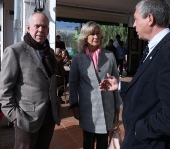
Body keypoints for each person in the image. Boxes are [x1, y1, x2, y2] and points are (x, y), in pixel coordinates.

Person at [100, 0, 170, 149]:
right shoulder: (156, 48)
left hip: (150, 142)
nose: (134, 24)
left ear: (150, 19)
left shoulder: (167, 52)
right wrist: (119, 87)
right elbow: (149, 89)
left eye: (136, 19)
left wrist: (140, 129)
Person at [0, 12, 61, 149]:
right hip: (26, 118)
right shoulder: (15, 51)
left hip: (49, 115)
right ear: (28, 28)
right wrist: (15, 116)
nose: (41, 30)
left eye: (44, 27)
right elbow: (4, 89)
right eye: (37, 26)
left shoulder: (49, 52)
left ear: (48, 30)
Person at [69, 21, 122, 149]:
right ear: (85, 37)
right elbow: (73, 83)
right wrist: (74, 104)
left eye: (98, 33)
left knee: (103, 141)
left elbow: (116, 81)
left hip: (106, 106)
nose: (96, 37)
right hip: (88, 108)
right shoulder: (78, 58)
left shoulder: (109, 55)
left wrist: (117, 105)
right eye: (92, 34)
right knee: (88, 140)